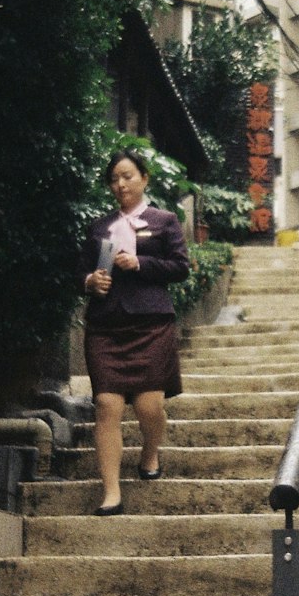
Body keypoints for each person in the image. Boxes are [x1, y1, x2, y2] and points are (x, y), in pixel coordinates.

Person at [78, 148, 191, 515]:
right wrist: (89, 281)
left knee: (149, 404)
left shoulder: (165, 221)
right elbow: (78, 270)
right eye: (114, 179)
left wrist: (141, 262)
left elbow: (180, 267)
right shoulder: (98, 226)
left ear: (144, 178)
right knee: (106, 405)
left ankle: (150, 451)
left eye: (127, 176)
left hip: (150, 321)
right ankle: (111, 493)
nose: (121, 183)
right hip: (106, 324)